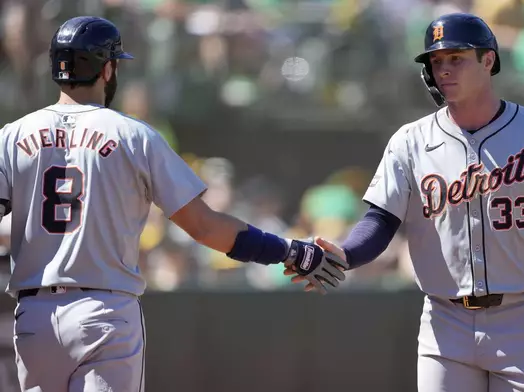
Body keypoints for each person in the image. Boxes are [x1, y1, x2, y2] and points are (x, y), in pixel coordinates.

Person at [2, 16, 347, 392]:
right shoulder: (133, 134)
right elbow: (203, 226)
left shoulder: (11, 135)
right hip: (104, 312)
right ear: (108, 68)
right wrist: (287, 250)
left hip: (33, 315)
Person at [286, 13, 524, 392]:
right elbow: (380, 222)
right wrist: (345, 253)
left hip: (523, 317)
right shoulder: (410, 141)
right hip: (445, 322)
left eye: (456, 58)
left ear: (488, 60)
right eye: (436, 61)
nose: (444, 69)